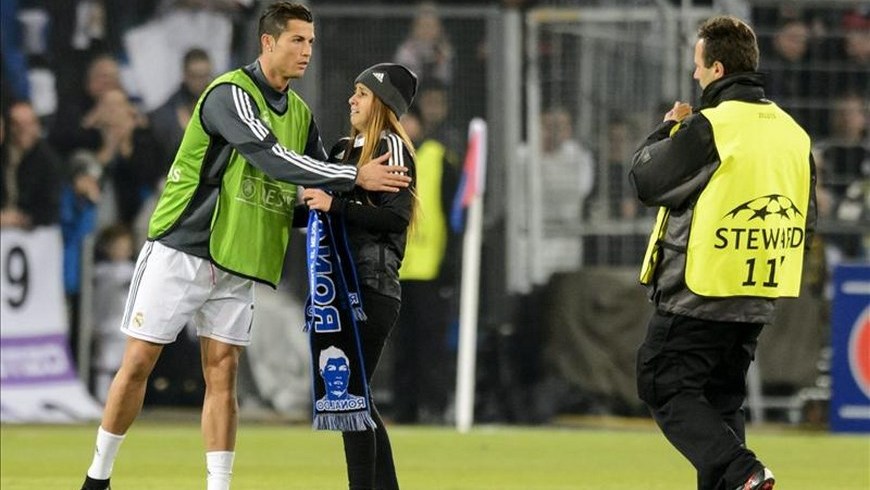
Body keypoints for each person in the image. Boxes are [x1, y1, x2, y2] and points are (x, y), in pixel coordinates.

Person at [79, 4, 410, 490]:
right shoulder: (229, 93)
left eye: (311, 42)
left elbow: (318, 192)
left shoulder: (300, 115)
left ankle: (219, 486)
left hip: (242, 259)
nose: (306, 51)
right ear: (267, 43)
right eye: (297, 40)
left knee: (224, 373)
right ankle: (98, 477)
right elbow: (272, 159)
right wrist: (352, 173)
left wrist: (372, 195)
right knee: (138, 363)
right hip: (185, 245)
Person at [629, 16, 817, 490]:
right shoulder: (793, 133)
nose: (694, 76)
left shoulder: (710, 127)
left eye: (697, 66)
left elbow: (647, 181)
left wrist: (666, 130)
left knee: (663, 384)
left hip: (700, 288)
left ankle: (744, 472)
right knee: (719, 401)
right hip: (758, 291)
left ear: (716, 68)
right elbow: (806, 216)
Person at [298, 62, 418, 490]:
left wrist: (336, 205)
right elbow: (313, 210)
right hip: (340, 292)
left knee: (347, 400)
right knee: (354, 400)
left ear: (383, 104)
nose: (352, 99)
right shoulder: (341, 152)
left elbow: (395, 219)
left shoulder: (392, 147)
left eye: (362, 93)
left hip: (370, 287)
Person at [0, 101, 63, 228]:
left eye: (29, 124)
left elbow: (50, 207)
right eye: (17, 124)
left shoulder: (47, 160)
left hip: (32, 234)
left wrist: (21, 219)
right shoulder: (3, 153)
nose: (23, 130)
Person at [148, 47, 215, 162]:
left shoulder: (219, 103)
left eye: (204, 76)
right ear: (185, 75)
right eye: (195, 76)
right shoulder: (168, 113)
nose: (201, 81)